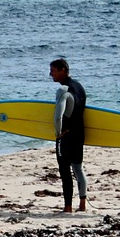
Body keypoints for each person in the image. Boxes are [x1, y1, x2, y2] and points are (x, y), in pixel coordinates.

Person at [49, 58, 87, 213]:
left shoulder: (64, 91)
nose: (51, 75)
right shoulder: (79, 87)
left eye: (53, 71)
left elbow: (58, 116)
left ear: (63, 70)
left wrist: (58, 133)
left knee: (65, 171)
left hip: (66, 136)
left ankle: (67, 207)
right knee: (78, 168)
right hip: (79, 134)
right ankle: (82, 204)